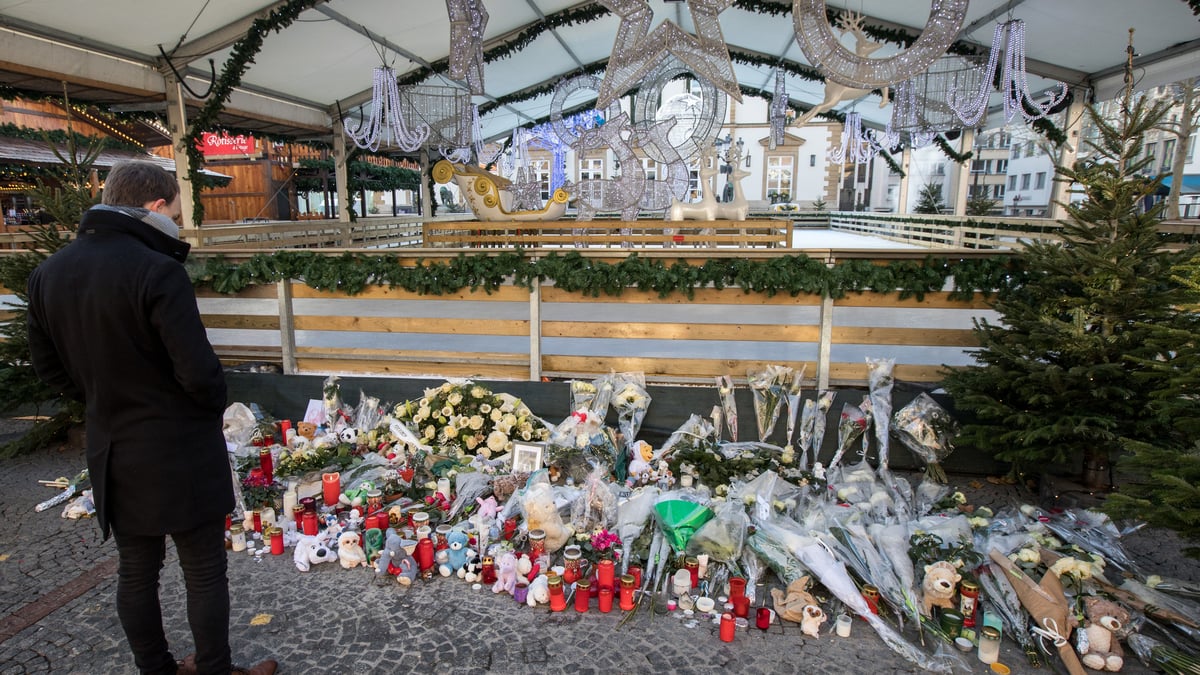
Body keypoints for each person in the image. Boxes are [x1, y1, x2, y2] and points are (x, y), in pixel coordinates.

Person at [26, 161, 277, 675]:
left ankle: (156, 669)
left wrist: (102, 401)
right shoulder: (156, 269)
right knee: (203, 570)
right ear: (155, 207)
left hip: (113, 445)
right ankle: (212, 668)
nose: (179, 225)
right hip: (177, 446)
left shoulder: (48, 273)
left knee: (136, 570)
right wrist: (202, 411)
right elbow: (199, 372)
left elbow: (48, 368)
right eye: (177, 213)